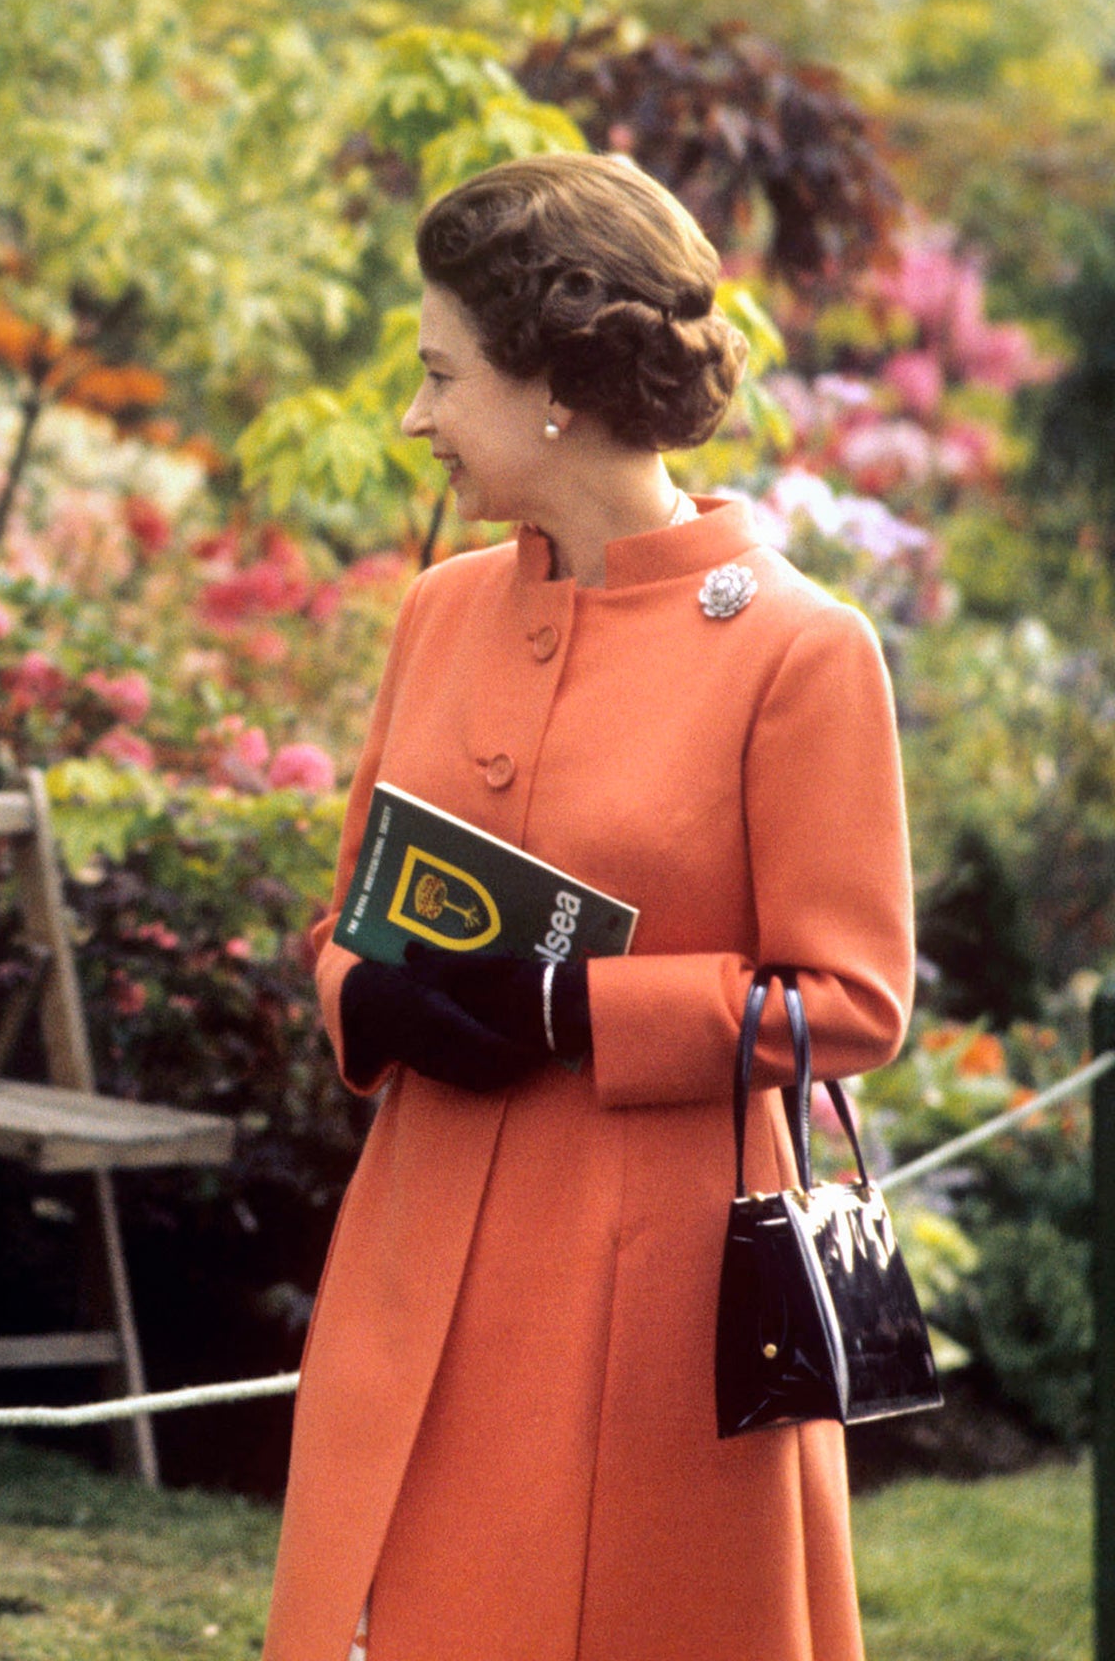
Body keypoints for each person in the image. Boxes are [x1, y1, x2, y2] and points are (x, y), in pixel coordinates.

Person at [261, 152, 914, 1661]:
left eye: (439, 373)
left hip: (653, 1300)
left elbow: (855, 1002)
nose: (415, 416)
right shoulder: (439, 610)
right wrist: (363, 990)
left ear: (553, 379)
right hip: (413, 1256)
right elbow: (350, 915)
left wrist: (572, 1007)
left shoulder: (803, 651)